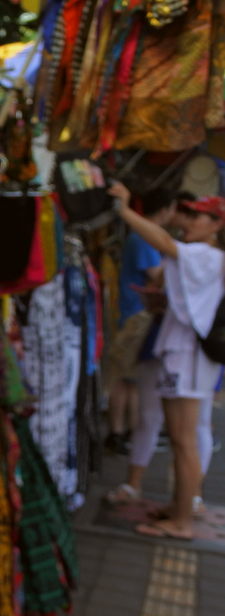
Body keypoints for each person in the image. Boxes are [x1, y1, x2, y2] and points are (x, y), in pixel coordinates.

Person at [107, 183, 225, 539]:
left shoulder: (207, 255)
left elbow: (162, 243)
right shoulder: (203, 256)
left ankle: (183, 521)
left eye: (195, 215)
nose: (184, 219)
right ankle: (179, 508)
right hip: (184, 355)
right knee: (180, 438)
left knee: (184, 439)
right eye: (184, 211)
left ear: (216, 224)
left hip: (187, 357)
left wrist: (125, 211)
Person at [104, 189, 176, 454]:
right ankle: (116, 431)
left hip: (137, 314)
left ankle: (129, 431)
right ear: (166, 209)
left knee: (131, 378)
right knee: (124, 377)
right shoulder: (145, 239)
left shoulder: (144, 237)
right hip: (136, 315)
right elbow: (157, 276)